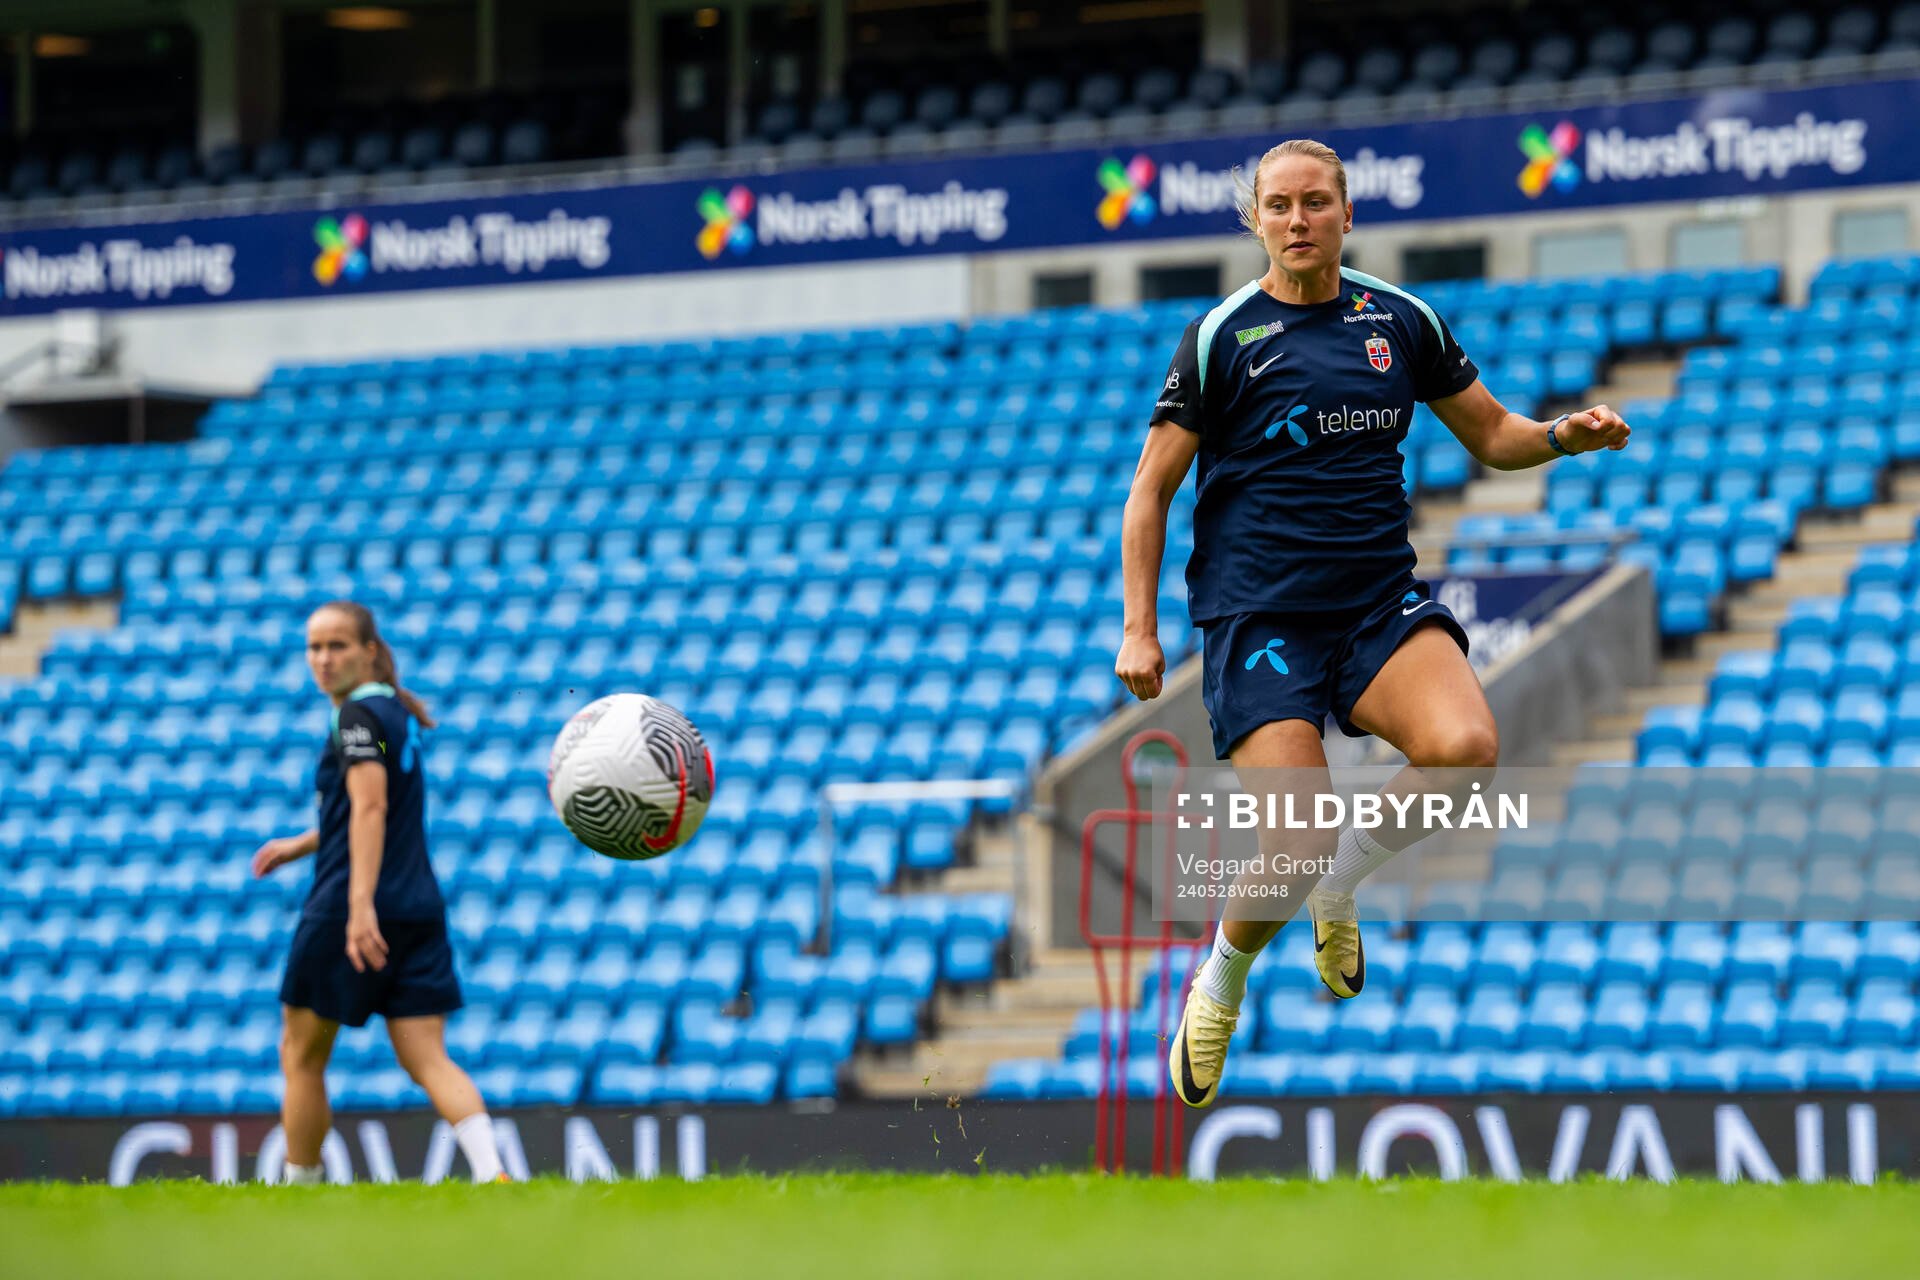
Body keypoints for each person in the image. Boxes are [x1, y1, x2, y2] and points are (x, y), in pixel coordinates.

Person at [1114, 139, 1630, 1108]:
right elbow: (1149, 492)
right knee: (1296, 833)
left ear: (1348, 214)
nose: (1298, 219)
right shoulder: (1222, 336)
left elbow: (1493, 433)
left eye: (1316, 202)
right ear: (1255, 220)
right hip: (1259, 613)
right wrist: (1140, 627)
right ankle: (1221, 976)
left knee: (1468, 747)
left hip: (1373, 603)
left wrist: (1563, 434)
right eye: (1279, 205)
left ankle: (1340, 888)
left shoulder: (1402, 320)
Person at [251, 600, 508, 1182]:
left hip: (352, 905)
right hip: (417, 905)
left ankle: (300, 1192)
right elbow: (369, 810)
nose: (323, 659)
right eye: (314, 647)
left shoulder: (355, 719)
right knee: (429, 1059)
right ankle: (496, 1177)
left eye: (337, 645)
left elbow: (370, 806)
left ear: (370, 650)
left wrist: (359, 907)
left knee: (302, 1055)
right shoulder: (396, 714)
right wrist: (304, 843)